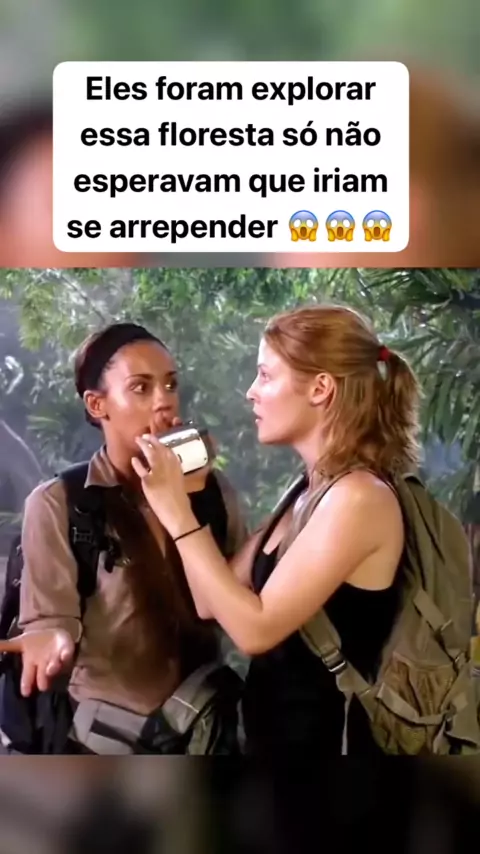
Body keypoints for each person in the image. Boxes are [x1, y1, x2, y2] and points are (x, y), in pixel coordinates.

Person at [122, 303, 422, 758]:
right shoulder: (308, 490)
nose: (251, 392)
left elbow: (254, 631)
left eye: (265, 375)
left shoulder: (360, 498)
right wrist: (191, 493)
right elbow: (210, 601)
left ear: (320, 388)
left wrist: (176, 513)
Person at [0, 322, 247, 754]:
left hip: (206, 731)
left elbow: (240, 605)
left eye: (170, 385)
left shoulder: (212, 493)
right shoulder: (63, 502)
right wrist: (53, 637)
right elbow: (50, 618)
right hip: (106, 741)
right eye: (141, 387)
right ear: (98, 405)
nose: (164, 401)